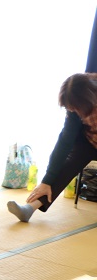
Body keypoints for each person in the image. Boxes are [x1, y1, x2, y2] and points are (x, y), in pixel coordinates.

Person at [8, 73, 97, 223]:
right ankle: (30, 209)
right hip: (89, 142)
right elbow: (64, 142)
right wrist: (46, 181)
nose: (73, 111)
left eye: (75, 108)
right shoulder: (74, 108)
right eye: (71, 109)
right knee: (67, 164)